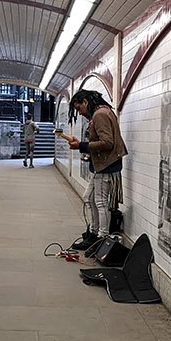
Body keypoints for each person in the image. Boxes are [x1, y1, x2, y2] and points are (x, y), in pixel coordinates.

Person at [65, 89, 127, 250]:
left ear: (85, 102)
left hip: (106, 166)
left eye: (79, 108)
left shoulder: (99, 115)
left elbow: (108, 142)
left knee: (100, 202)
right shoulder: (104, 112)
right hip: (103, 164)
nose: (79, 113)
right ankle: (93, 233)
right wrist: (85, 148)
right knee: (89, 198)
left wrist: (82, 146)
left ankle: (101, 238)